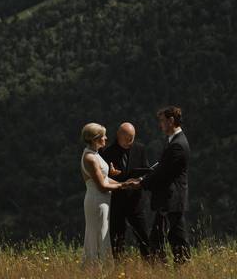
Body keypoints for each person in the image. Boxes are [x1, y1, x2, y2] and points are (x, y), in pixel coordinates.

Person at [80, 122, 139, 265]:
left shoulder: (95, 154)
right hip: (97, 201)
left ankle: (100, 269)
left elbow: (105, 178)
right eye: (103, 136)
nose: (106, 138)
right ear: (95, 139)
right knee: (98, 235)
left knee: (102, 234)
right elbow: (102, 186)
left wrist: (123, 181)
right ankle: (95, 269)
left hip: (102, 201)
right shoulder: (90, 158)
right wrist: (124, 185)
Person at [140, 105, 191, 265]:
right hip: (169, 198)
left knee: (176, 236)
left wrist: (141, 183)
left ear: (171, 121)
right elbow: (161, 167)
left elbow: (163, 174)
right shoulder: (174, 141)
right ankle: (160, 266)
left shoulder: (177, 144)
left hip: (172, 198)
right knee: (161, 234)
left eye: (162, 121)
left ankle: (180, 266)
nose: (160, 125)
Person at [100, 122, 151, 259]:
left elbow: (146, 170)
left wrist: (139, 180)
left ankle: (151, 265)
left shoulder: (140, 149)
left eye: (132, 138)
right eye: (127, 138)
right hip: (116, 201)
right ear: (118, 136)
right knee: (117, 238)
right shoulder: (107, 152)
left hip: (136, 200)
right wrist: (114, 177)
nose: (130, 141)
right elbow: (102, 176)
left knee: (144, 236)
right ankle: (119, 268)